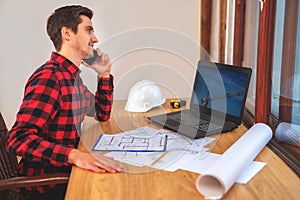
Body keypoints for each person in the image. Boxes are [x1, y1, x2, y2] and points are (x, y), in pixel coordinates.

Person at [6, 5, 122, 200]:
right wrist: (75, 155)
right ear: (67, 33)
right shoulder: (50, 78)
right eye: (88, 30)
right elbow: (17, 139)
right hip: (48, 187)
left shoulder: (71, 78)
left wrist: (104, 74)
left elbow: (101, 112)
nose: (95, 39)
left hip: (66, 173)